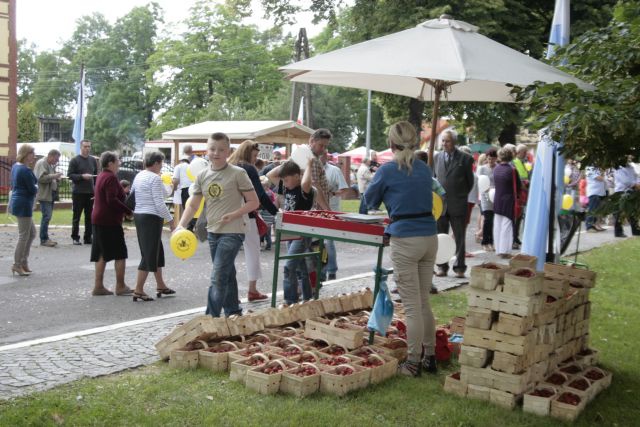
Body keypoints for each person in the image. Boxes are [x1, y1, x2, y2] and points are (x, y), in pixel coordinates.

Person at [365, 121, 438, 377]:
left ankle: (413, 362)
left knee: (412, 306)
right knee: (423, 302)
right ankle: (430, 356)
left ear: (391, 144)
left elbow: (368, 201)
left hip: (406, 238)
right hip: (430, 236)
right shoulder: (424, 168)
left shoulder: (387, 170)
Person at [177, 132, 259, 317]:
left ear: (228, 151)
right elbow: (193, 204)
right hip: (213, 232)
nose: (216, 153)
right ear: (207, 150)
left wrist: (234, 214)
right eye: (212, 149)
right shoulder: (202, 175)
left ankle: (210, 319)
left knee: (218, 276)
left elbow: (254, 202)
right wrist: (181, 225)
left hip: (234, 232)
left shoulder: (239, 173)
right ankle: (234, 312)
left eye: (221, 150)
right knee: (226, 273)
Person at [228, 140, 278, 302]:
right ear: (248, 152)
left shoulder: (229, 165)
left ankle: (230, 294)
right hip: (246, 216)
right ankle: (252, 289)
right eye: (254, 155)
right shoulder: (248, 168)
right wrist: (276, 212)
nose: (255, 159)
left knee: (228, 256)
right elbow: (260, 195)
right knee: (252, 252)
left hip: (228, 215)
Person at [267, 160, 315, 304]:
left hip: (301, 233)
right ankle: (307, 297)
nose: (284, 182)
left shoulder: (304, 189)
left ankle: (290, 300)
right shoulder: (287, 186)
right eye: (283, 180)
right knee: (300, 267)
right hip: (290, 232)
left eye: (287, 179)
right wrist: (288, 162)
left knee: (289, 266)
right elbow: (270, 175)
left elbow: (306, 182)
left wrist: (308, 165)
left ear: (297, 176)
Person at [131, 151, 176, 302]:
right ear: (156, 163)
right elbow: (159, 202)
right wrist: (171, 220)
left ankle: (160, 284)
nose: (162, 165)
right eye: (161, 163)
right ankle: (138, 289)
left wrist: (170, 186)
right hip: (151, 217)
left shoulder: (140, 176)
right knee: (149, 253)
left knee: (156, 251)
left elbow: (164, 193)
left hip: (140, 215)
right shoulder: (155, 178)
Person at [91, 152, 133, 296]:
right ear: (110, 163)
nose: (119, 163)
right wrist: (128, 211)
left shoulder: (102, 175)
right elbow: (112, 200)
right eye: (117, 161)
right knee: (120, 253)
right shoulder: (110, 178)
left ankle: (98, 285)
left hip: (98, 218)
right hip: (109, 220)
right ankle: (120, 286)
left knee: (101, 252)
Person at [433, 130, 474, 278]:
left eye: (447, 141)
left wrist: (460, 195)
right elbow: (433, 180)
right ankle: (442, 267)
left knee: (459, 237)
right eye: (443, 141)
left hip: (458, 203)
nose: (444, 144)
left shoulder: (466, 158)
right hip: (441, 205)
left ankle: (459, 267)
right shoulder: (437, 157)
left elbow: (470, 183)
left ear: (454, 142)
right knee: (440, 237)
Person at [9, 144, 37, 276]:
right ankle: (17, 264)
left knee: (31, 233)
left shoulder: (16, 166)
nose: (34, 156)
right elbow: (32, 188)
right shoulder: (25, 170)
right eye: (32, 153)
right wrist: (36, 187)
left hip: (19, 202)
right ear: (26, 154)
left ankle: (23, 261)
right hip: (24, 203)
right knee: (24, 235)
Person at [322, 152, 350, 280]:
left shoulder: (334, 170)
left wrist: (333, 192)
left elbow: (344, 189)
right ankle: (320, 271)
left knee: (328, 242)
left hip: (331, 209)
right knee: (318, 242)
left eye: (322, 155)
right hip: (315, 211)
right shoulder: (310, 169)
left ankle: (331, 270)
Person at [67, 140, 98, 245]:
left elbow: (95, 177)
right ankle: (75, 237)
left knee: (89, 216)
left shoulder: (93, 160)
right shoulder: (75, 160)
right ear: (81, 147)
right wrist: (81, 176)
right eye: (85, 146)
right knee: (77, 216)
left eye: (89, 146)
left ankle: (88, 237)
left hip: (90, 192)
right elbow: (70, 175)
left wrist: (96, 190)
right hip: (78, 192)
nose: (87, 148)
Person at [492, 148, 522, 258]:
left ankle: (498, 249)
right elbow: (518, 186)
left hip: (497, 198)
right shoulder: (512, 170)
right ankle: (504, 251)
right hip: (509, 199)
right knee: (507, 226)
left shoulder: (496, 169)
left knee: (497, 225)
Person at [34, 149, 62, 247]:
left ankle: (45, 238)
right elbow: (41, 178)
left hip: (49, 194)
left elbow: (48, 177)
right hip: (44, 195)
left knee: (47, 216)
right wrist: (54, 176)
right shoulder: (42, 163)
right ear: (51, 156)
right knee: (46, 216)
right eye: (56, 159)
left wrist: (56, 178)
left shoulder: (49, 164)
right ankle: (44, 239)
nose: (57, 161)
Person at [476, 148, 498, 252]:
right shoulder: (482, 168)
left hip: (495, 195)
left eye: (493, 159)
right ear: (487, 158)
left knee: (493, 220)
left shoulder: (498, 168)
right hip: (485, 196)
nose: (491, 161)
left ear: (496, 158)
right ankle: (485, 242)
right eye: (489, 159)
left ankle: (492, 241)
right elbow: (478, 181)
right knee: (487, 219)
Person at [612, 157, 640, 237]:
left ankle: (636, 230)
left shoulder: (630, 167)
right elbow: (625, 181)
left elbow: (636, 176)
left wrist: (638, 183)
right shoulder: (618, 167)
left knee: (632, 211)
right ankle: (618, 232)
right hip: (621, 191)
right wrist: (635, 185)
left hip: (631, 191)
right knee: (619, 212)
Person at [307, 128, 332, 211]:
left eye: (325, 146)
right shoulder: (312, 159)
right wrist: (327, 210)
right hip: (316, 210)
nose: (323, 149)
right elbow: (315, 185)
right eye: (321, 145)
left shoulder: (311, 157)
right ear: (312, 141)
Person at [172, 155, 193, 230]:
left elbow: (175, 180)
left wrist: (174, 189)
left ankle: (186, 227)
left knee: (186, 209)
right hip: (193, 189)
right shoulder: (191, 166)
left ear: (181, 161)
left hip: (185, 189)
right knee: (192, 208)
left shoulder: (179, 166)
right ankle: (191, 227)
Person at [585, 166, 606, 232]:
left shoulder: (598, 168)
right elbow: (598, 178)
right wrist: (606, 179)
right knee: (592, 210)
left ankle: (594, 225)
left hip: (600, 192)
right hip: (593, 192)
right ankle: (589, 226)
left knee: (597, 210)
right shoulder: (589, 168)